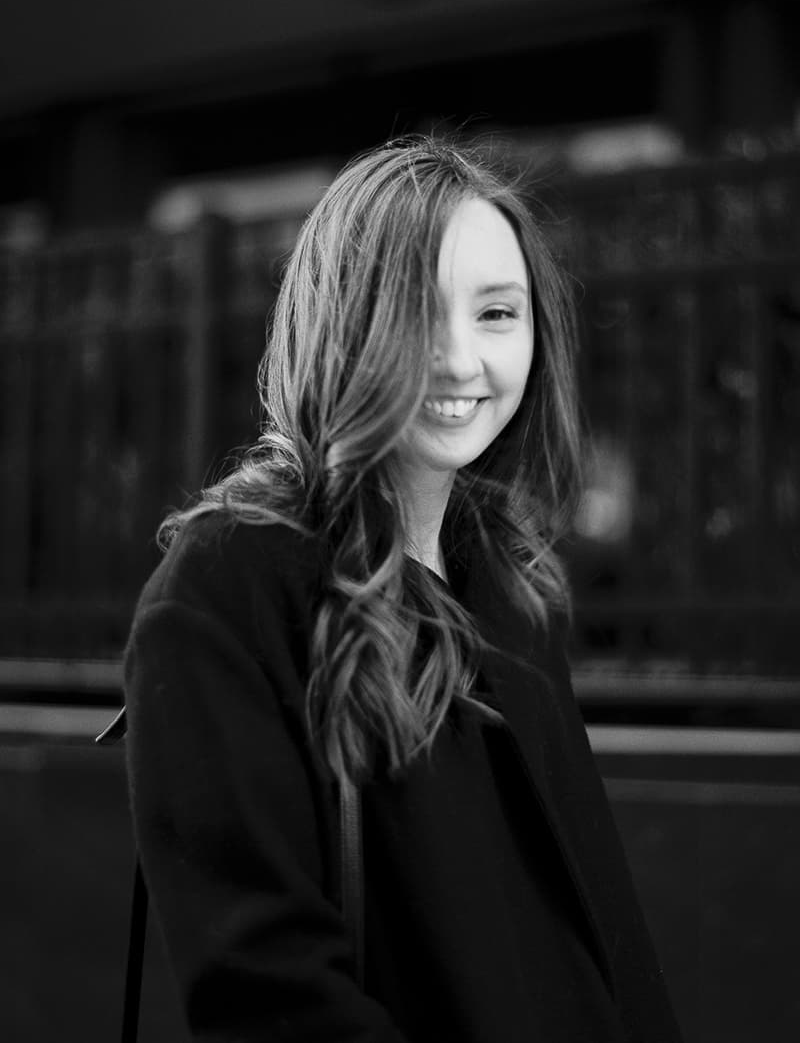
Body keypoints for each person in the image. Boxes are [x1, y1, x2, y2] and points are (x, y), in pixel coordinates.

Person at [124, 137, 683, 1042]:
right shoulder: (230, 580)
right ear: (341, 323)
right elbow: (268, 988)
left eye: (497, 313)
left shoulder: (510, 579)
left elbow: (604, 924)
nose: (460, 359)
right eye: (416, 310)